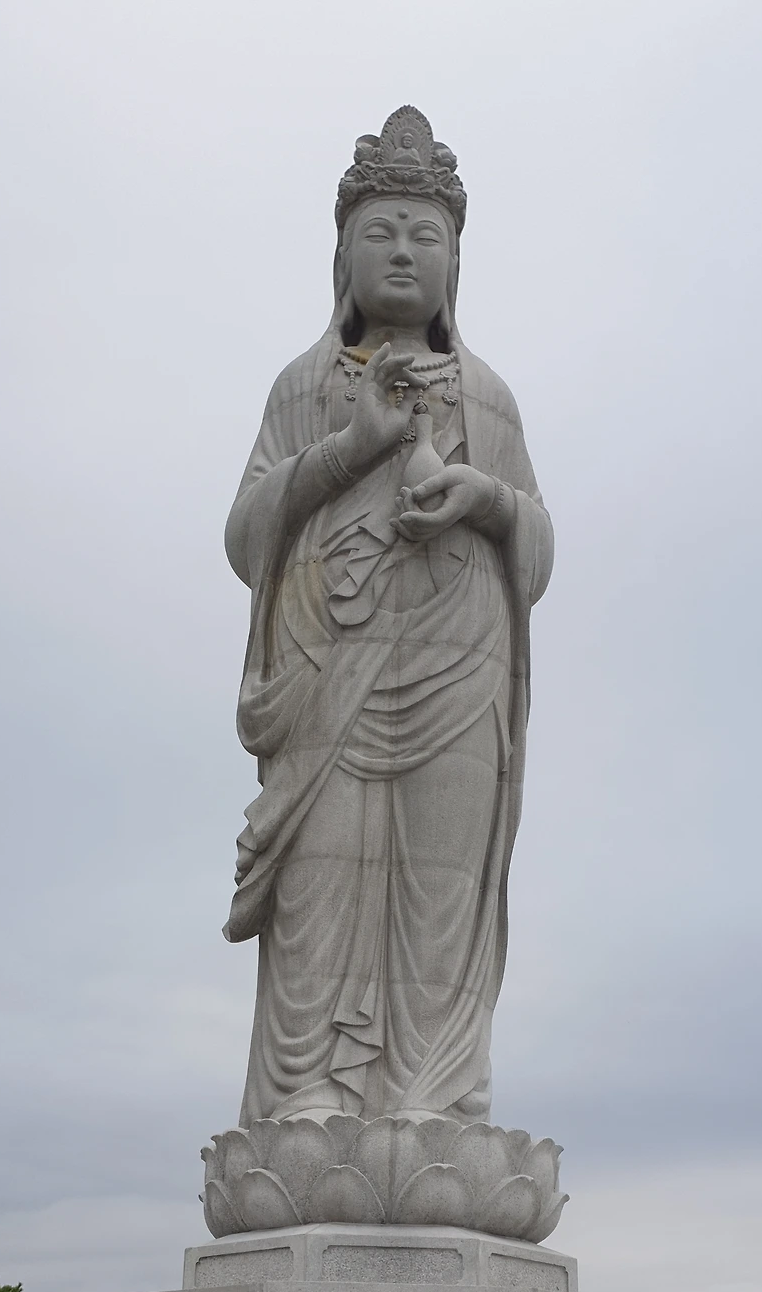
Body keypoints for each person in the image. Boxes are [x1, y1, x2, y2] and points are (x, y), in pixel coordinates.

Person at [225, 106, 552, 1128]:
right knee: (319, 893)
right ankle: (309, 1095)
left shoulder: (487, 398)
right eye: (381, 232)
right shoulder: (304, 385)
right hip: (329, 667)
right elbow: (244, 534)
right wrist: (349, 451)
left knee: (439, 896)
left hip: (459, 668)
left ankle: (433, 1100)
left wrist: (485, 499)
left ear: (455, 263)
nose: (404, 251)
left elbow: (538, 549)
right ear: (343, 258)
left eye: (426, 235)